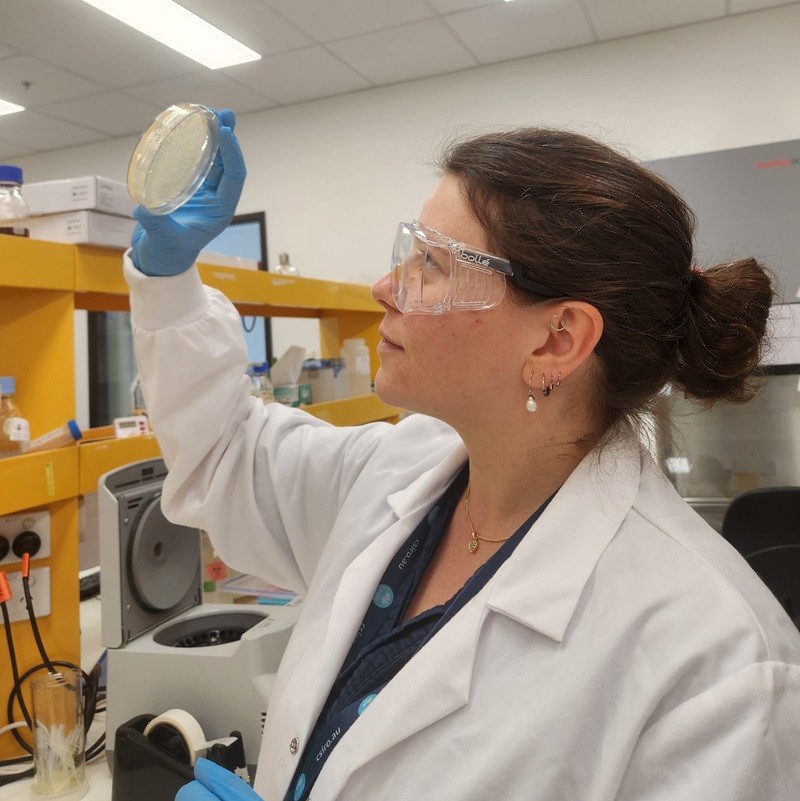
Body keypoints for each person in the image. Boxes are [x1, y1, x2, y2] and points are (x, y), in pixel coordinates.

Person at [125, 111, 800, 801]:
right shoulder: (399, 470)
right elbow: (230, 457)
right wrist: (167, 277)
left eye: (430, 264)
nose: (384, 288)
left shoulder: (717, 660)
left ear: (558, 340)